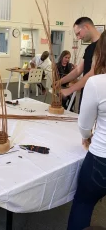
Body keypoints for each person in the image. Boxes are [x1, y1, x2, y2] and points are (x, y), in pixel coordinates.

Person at [67, 31, 106, 230]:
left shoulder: (97, 82)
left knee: (83, 202)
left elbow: (84, 125)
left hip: (101, 159)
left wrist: (87, 138)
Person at [58, 17, 100, 110]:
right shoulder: (89, 48)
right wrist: (59, 82)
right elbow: (77, 70)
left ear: (86, 27)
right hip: (87, 92)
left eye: (78, 33)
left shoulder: (102, 46)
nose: (78, 37)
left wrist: (69, 90)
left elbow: (93, 73)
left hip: (98, 95)